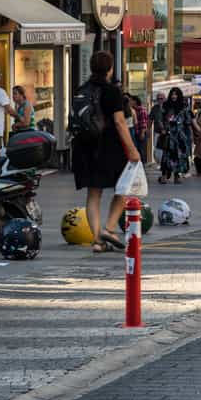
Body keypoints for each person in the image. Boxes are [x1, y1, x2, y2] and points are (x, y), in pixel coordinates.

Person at [71, 51, 139, 254]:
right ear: (110, 69)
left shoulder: (82, 89)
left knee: (93, 193)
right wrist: (132, 149)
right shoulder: (112, 91)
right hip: (108, 147)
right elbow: (119, 122)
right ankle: (109, 230)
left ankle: (97, 241)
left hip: (85, 146)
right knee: (124, 188)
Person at [159, 87, 192, 185]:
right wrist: (163, 129)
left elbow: (188, 121)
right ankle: (164, 176)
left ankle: (177, 176)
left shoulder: (184, 106)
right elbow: (161, 119)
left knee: (179, 156)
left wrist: (191, 135)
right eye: (172, 94)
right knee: (166, 155)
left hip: (180, 135)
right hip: (168, 134)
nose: (174, 96)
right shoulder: (165, 105)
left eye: (176, 94)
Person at [130, 95, 149, 163]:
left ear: (135, 101)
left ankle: (142, 167)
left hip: (141, 133)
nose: (130, 102)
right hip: (136, 133)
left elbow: (143, 123)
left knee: (141, 151)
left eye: (131, 100)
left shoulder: (141, 109)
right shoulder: (133, 110)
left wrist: (142, 133)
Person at [149, 92, 166, 166]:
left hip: (167, 133)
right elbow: (150, 120)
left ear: (165, 99)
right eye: (158, 99)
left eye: (161, 99)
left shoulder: (168, 107)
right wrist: (148, 129)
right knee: (157, 150)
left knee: (166, 149)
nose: (160, 100)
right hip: (157, 132)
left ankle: (165, 163)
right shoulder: (154, 108)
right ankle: (160, 163)